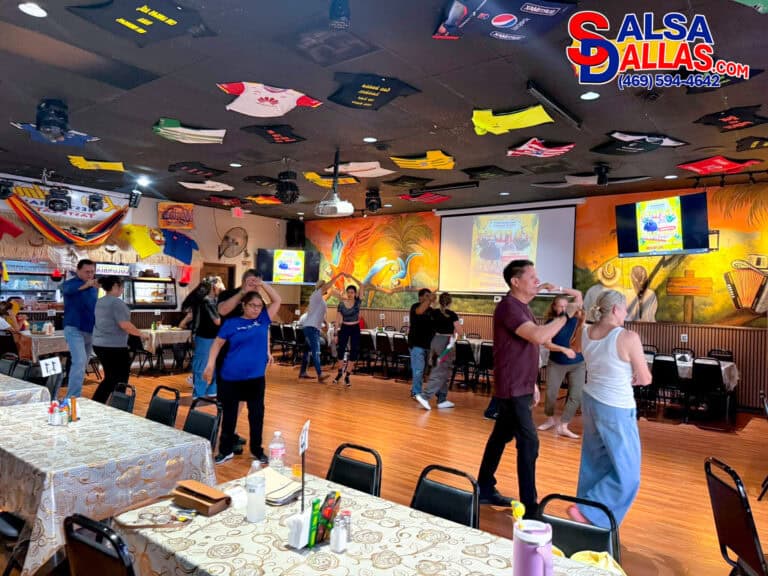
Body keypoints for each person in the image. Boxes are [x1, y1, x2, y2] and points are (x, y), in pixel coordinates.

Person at [476, 260, 568, 517]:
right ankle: (530, 506)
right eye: (532, 277)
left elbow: (533, 344)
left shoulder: (523, 308)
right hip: (512, 387)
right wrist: (566, 315)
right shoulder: (508, 308)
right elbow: (538, 336)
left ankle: (484, 486)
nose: (537, 281)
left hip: (521, 385)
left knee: (500, 437)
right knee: (529, 441)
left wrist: (534, 384)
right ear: (515, 282)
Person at [569, 290, 651, 527]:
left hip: (591, 400)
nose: (626, 313)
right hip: (616, 406)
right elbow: (645, 378)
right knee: (628, 474)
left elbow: (575, 348)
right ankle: (586, 512)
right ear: (615, 310)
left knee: (595, 462)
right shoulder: (627, 337)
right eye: (625, 308)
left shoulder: (586, 332)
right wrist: (636, 374)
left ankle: (586, 515)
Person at [204, 280, 282, 464]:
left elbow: (277, 300)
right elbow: (217, 344)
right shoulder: (231, 323)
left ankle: (257, 450)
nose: (256, 309)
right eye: (253, 306)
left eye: (259, 306)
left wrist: (262, 284)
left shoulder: (263, 320)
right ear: (244, 306)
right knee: (229, 416)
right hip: (231, 377)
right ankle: (225, 450)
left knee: (256, 416)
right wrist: (210, 364)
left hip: (255, 379)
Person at [538, 289, 586, 439]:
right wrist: (564, 349)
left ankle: (564, 425)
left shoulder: (573, 319)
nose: (564, 309)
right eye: (561, 306)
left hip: (578, 363)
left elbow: (578, 294)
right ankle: (550, 419)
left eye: (567, 306)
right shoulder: (550, 324)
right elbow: (547, 343)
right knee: (551, 394)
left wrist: (558, 288)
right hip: (556, 363)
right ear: (554, 307)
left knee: (576, 395)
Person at [91, 277, 148, 404]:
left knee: (111, 377)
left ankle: (103, 403)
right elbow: (124, 324)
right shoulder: (117, 303)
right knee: (119, 378)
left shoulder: (99, 302)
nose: (122, 290)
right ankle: (116, 404)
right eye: (121, 287)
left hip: (99, 344)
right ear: (115, 286)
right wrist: (141, 334)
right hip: (114, 346)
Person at [415, 292, 462, 410]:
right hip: (446, 343)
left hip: (435, 341)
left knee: (443, 370)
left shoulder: (434, 312)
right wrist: (456, 335)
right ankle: (425, 396)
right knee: (440, 371)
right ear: (450, 302)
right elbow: (460, 332)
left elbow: (422, 316)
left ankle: (442, 399)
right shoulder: (452, 315)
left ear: (440, 301)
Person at [180, 278, 222, 399]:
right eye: (219, 284)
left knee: (205, 363)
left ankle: (205, 391)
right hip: (208, 337)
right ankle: (203, 392)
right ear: (213, 287)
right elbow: (217, 320)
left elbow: (189, 315)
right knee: (206, 364)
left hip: (204, 337)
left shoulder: (203, 301)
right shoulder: (208, 301)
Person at [62, 259, 98, 398]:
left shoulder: (95, 287)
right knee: (79, 361)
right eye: (87, 272)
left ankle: (75, 395)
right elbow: (67, 290)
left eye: (92, 272)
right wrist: (86, 285)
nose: (90, 275)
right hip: (73, 328)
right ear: (78, 271)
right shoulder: (70, 284)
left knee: (83, 363)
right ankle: (73, 397)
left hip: (90, 329)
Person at [299, 274, 340, 381]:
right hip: (311, 328)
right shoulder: (316, 295)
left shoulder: (320, 299)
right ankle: (320, 374)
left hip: (313, 327)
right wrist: (339, 275)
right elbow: (327, 286)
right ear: (321, 287)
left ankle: (303, 372)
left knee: (307, 350)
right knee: (316, 350)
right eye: (325, 286)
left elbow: (318, 313)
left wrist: (325, 322)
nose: (327, 288)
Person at [408, 288, 435, 399]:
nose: (429, 298)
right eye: (427, 296)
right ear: (421, 297)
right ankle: (416, 393)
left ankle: (415, 389)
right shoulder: (415, 307)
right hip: (416, 344)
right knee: (418, 370)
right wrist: (429, 300)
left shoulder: (431, 311)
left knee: (422, 371)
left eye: (430, 296)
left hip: (428, 345)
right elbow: (420, 311)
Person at [334, 285, 362, 384]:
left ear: (355, 294)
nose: (350, 294)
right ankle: (340, 372)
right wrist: (335, 334)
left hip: (355, 328)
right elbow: (337, 320)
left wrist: (350, 277)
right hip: (344, 327)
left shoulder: (358, 302)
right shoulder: (341, 304)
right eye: (348, 292)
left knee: (354, 351)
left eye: (352, 292)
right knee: (340, 350)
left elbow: (362, 285)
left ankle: (348, 375)